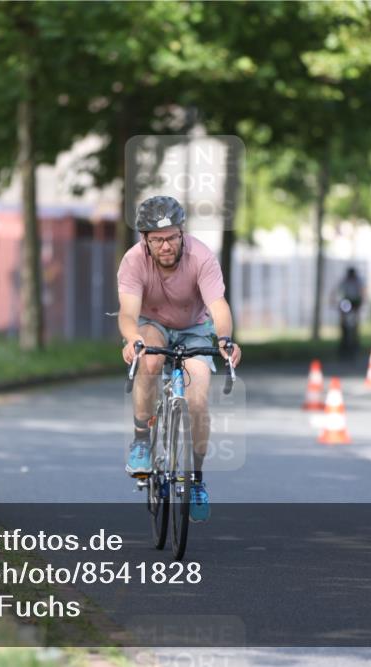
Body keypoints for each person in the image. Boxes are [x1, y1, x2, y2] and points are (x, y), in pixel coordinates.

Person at [117, 195, 242, 523]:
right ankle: (142, 441)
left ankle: (196, 479)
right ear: (145, 239)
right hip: (151, 325)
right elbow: (128, 313)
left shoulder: (201, 256)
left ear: (182, 232)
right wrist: (133, 340)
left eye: (172, 237)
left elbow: (218, 307)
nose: (166, 245)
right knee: (151, 360)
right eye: (157, 240)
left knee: (198, 399)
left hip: (195, 329)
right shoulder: (133, 261)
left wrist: (225, 339)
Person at [335, 267, 365, 357]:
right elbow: (338, 291)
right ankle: (343, 341)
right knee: (343, 319)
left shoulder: (358, 281)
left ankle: (355, 341)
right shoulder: (344, 281)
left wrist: (360, 302)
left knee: (355, 322)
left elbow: (362, 292)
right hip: (347, 302)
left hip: (355, 302)